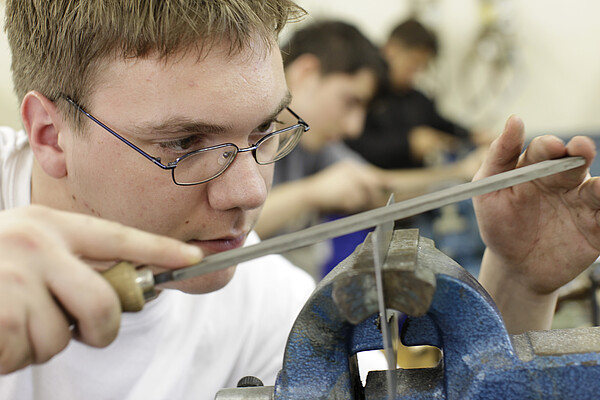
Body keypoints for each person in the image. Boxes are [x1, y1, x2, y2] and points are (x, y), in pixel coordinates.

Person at [1, 2, 600, 399]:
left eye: (265, 131)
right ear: (52, 135)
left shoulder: (268, 308)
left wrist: (520, 284)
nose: (252, 191)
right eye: (186, 142)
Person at [255, 21, 485, 242]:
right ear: (306, 74)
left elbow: (377, 186)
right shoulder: (237, 134)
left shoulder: (312, 144)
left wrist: (462, 172)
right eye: (350, 102)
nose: (354, 128)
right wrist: (310, 193)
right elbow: (231, 231)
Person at [346, 18, 492, 170]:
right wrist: (407, 143)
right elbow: (354, 145)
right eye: (413, 62)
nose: (416, 72)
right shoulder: (366, 93)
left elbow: (443, 125)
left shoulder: (416, 99)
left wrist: (472, 135)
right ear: (391, 49)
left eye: (422, 66)